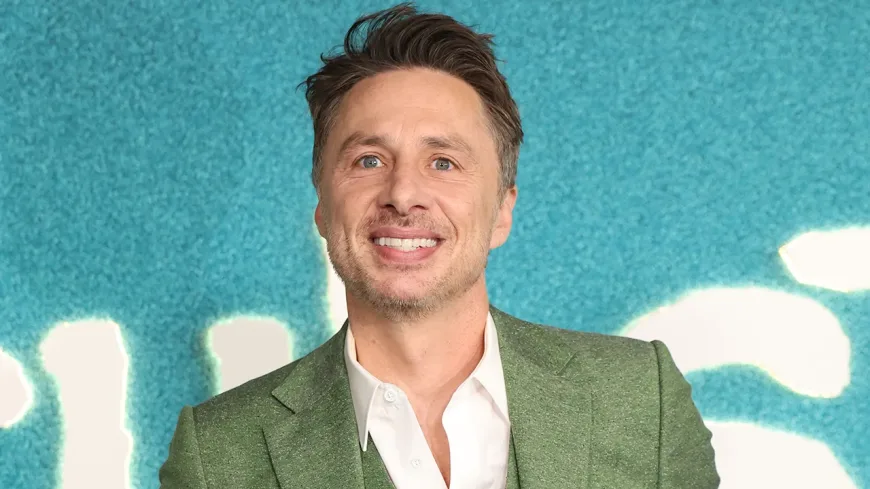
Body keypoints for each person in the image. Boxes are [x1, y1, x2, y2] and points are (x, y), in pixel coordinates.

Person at [159, 3, 719, 488]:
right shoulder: (217, 454)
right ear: (323, 209)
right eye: (368, 160)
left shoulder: (641, 398)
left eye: (443, 162)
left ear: (502, 210)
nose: (403, 194)